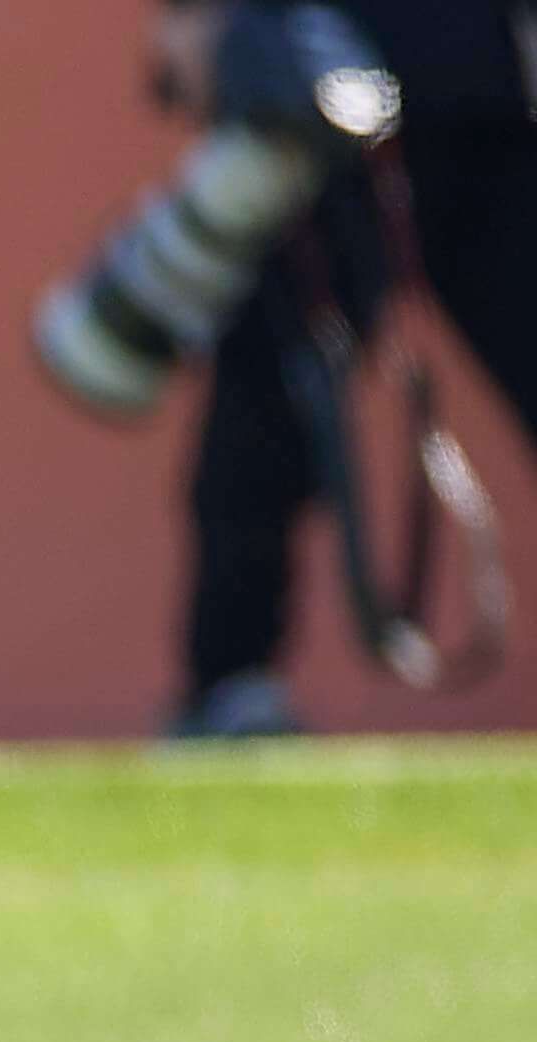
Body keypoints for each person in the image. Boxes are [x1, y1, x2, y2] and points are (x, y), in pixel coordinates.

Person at [157, 0, 537, 733]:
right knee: (268, 394)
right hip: (316, 81)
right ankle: (230, 688)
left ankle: (228, 684)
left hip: (487, 91)